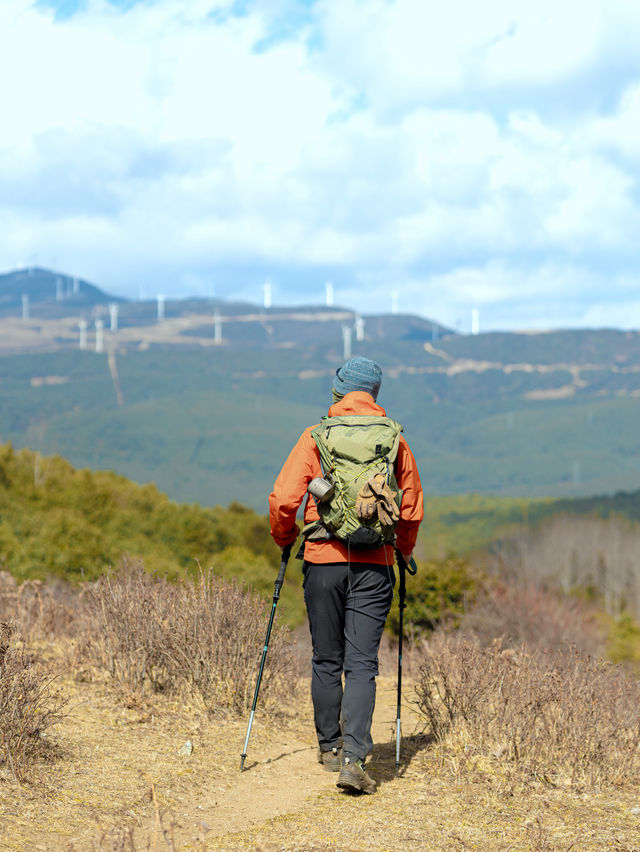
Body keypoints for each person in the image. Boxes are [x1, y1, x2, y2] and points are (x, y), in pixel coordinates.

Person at [269, 356, 423, 794]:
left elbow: (284, 498)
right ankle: (355, 759)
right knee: (361, 664)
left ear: (339, 392)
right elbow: (409, 507)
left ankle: (329, 747)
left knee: (325, 657)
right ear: (374, 394)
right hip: (375, 564)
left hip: (322, 559)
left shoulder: (316, 436)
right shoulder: (394, 440)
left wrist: (285, 537)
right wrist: (402, 550)